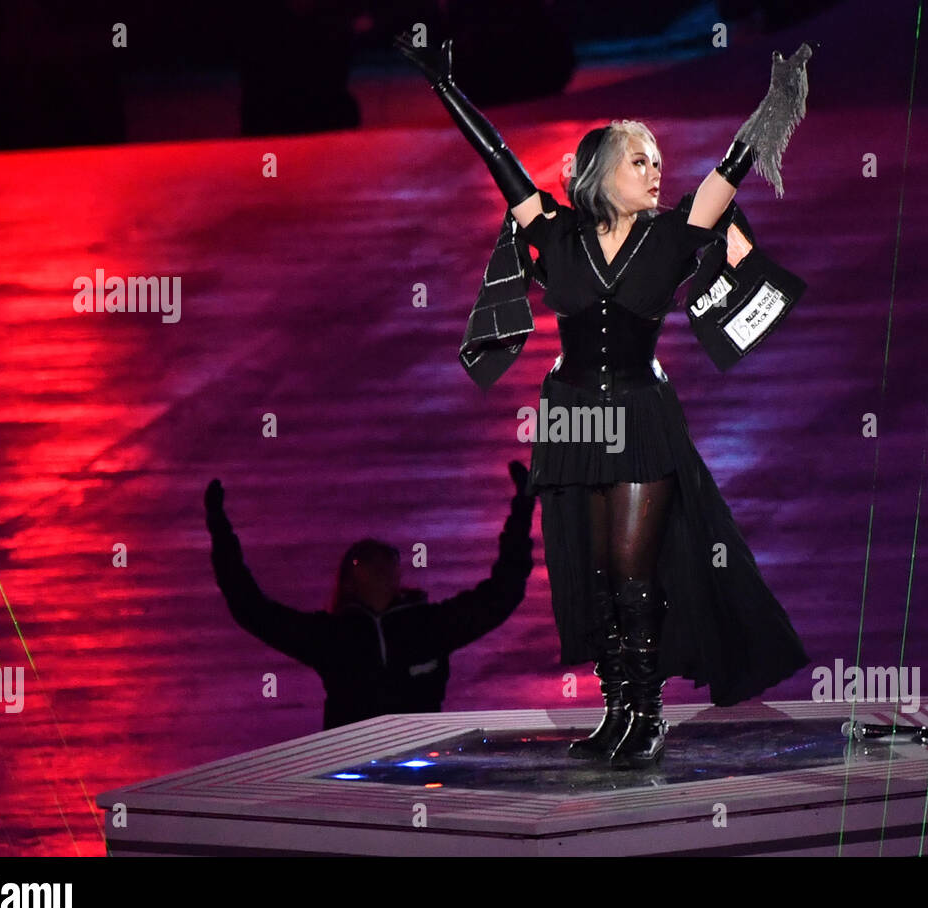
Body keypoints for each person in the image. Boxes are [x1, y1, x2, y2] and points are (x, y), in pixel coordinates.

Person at [395, 33, 811, 768]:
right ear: (598, 174)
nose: (654, 170)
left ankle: (648, 714)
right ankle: (616, 708)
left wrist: (775, 104)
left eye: (656, 159)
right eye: (638, 160)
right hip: (573, 415)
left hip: (642, 416)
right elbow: (499, 162)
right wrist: (445, 89)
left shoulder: (677, 234)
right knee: (591, 570)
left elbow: (732, 168)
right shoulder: (555, 234)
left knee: (629, 564)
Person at [204, 460, 535, 730]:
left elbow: (501, 594)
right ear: (347, 580)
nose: (380, 566)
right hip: (354, 777)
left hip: (422, 768)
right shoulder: (332, 639)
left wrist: (522, 510)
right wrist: (221, 533)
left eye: (388, 559)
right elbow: (252, 609)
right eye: (364, 559)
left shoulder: (428, 626)